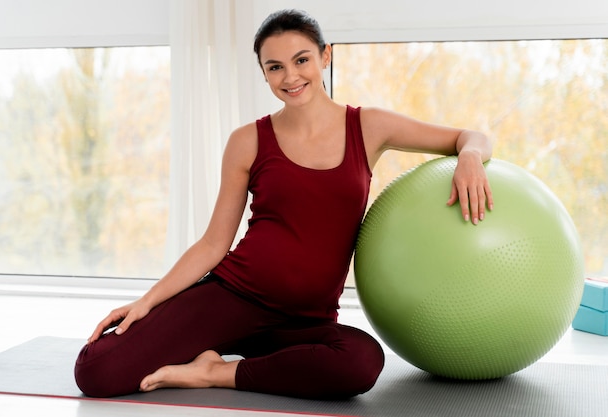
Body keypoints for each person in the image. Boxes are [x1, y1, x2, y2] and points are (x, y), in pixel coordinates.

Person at [74, 9, 493, 400]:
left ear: (325, 57)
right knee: (94, 372)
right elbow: (213, 243)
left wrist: (470, 158)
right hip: (232, 297)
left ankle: (215, 372)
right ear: (264, 74)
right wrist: (147, 302)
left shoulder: (369, 126)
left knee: (362, 362)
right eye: (275, 67)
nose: (290, 76)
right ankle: (226, 356)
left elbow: (470, 136)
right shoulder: (248, 140)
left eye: (302, 60)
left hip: (305, 321)